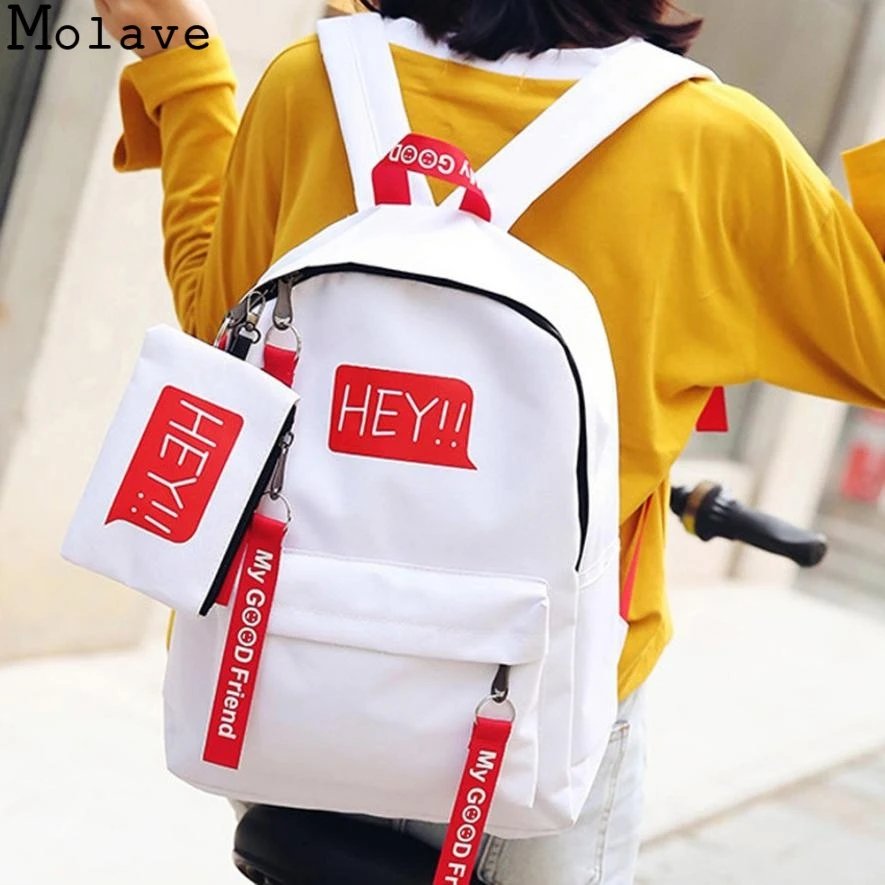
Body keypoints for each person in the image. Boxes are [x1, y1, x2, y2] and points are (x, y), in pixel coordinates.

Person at [95, 1, 885, 882]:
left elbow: (222, 333)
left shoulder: (315, 83)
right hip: (531, 720)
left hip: (290, 671)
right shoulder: (713, 144)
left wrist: (185, 72)